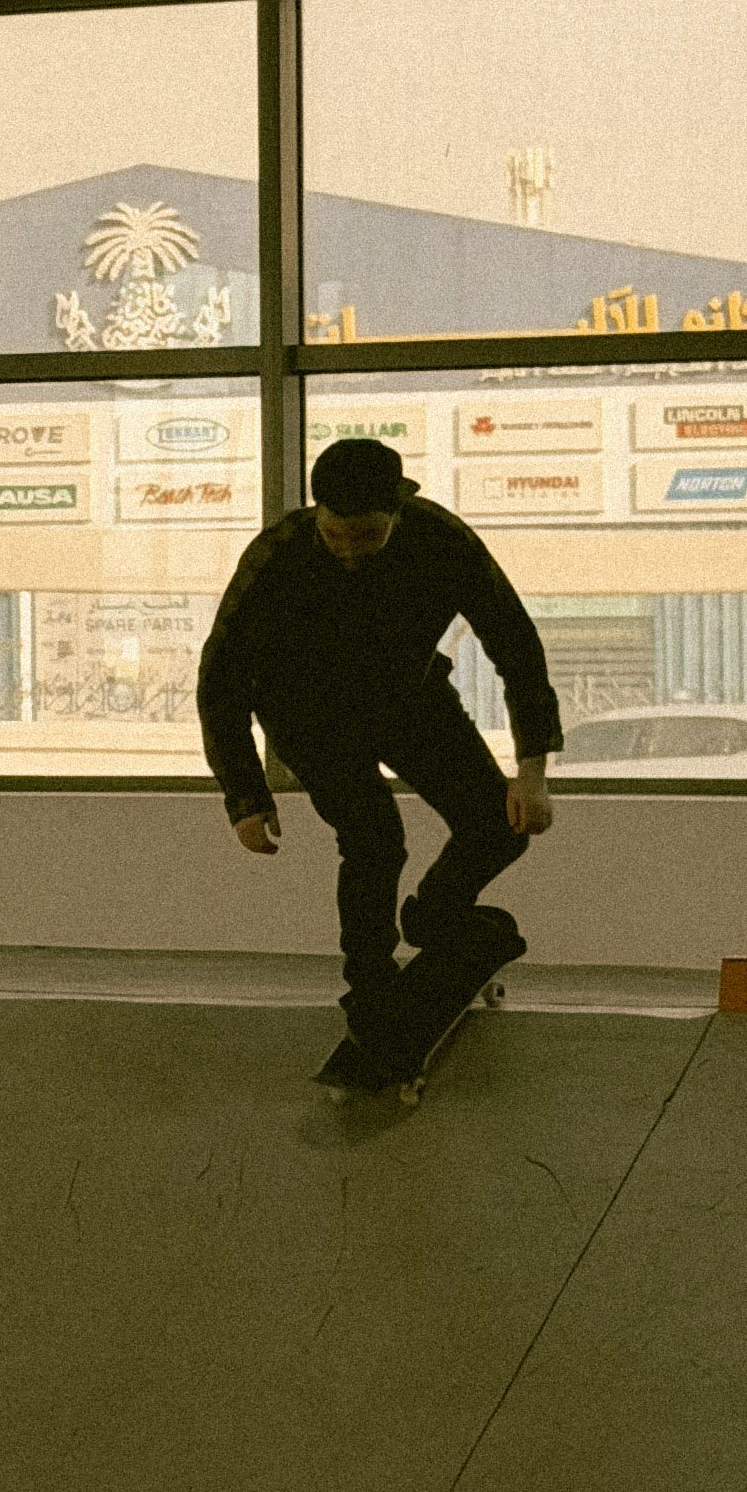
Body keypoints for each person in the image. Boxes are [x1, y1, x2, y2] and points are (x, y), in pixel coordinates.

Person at [196, 431, 562, 1060]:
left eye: (366, 538)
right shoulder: (277, 555)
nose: (348, 554)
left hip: (407, 699)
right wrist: (245, 796)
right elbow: (220, 679)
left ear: (397, 509)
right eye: (334, 537)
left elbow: (516, 647)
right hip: (307, 715)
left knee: (499, 823)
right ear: (318, 515)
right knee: (374, 839)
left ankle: (436, 915)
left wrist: (532, 771)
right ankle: (368, 986)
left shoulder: (443, 540)